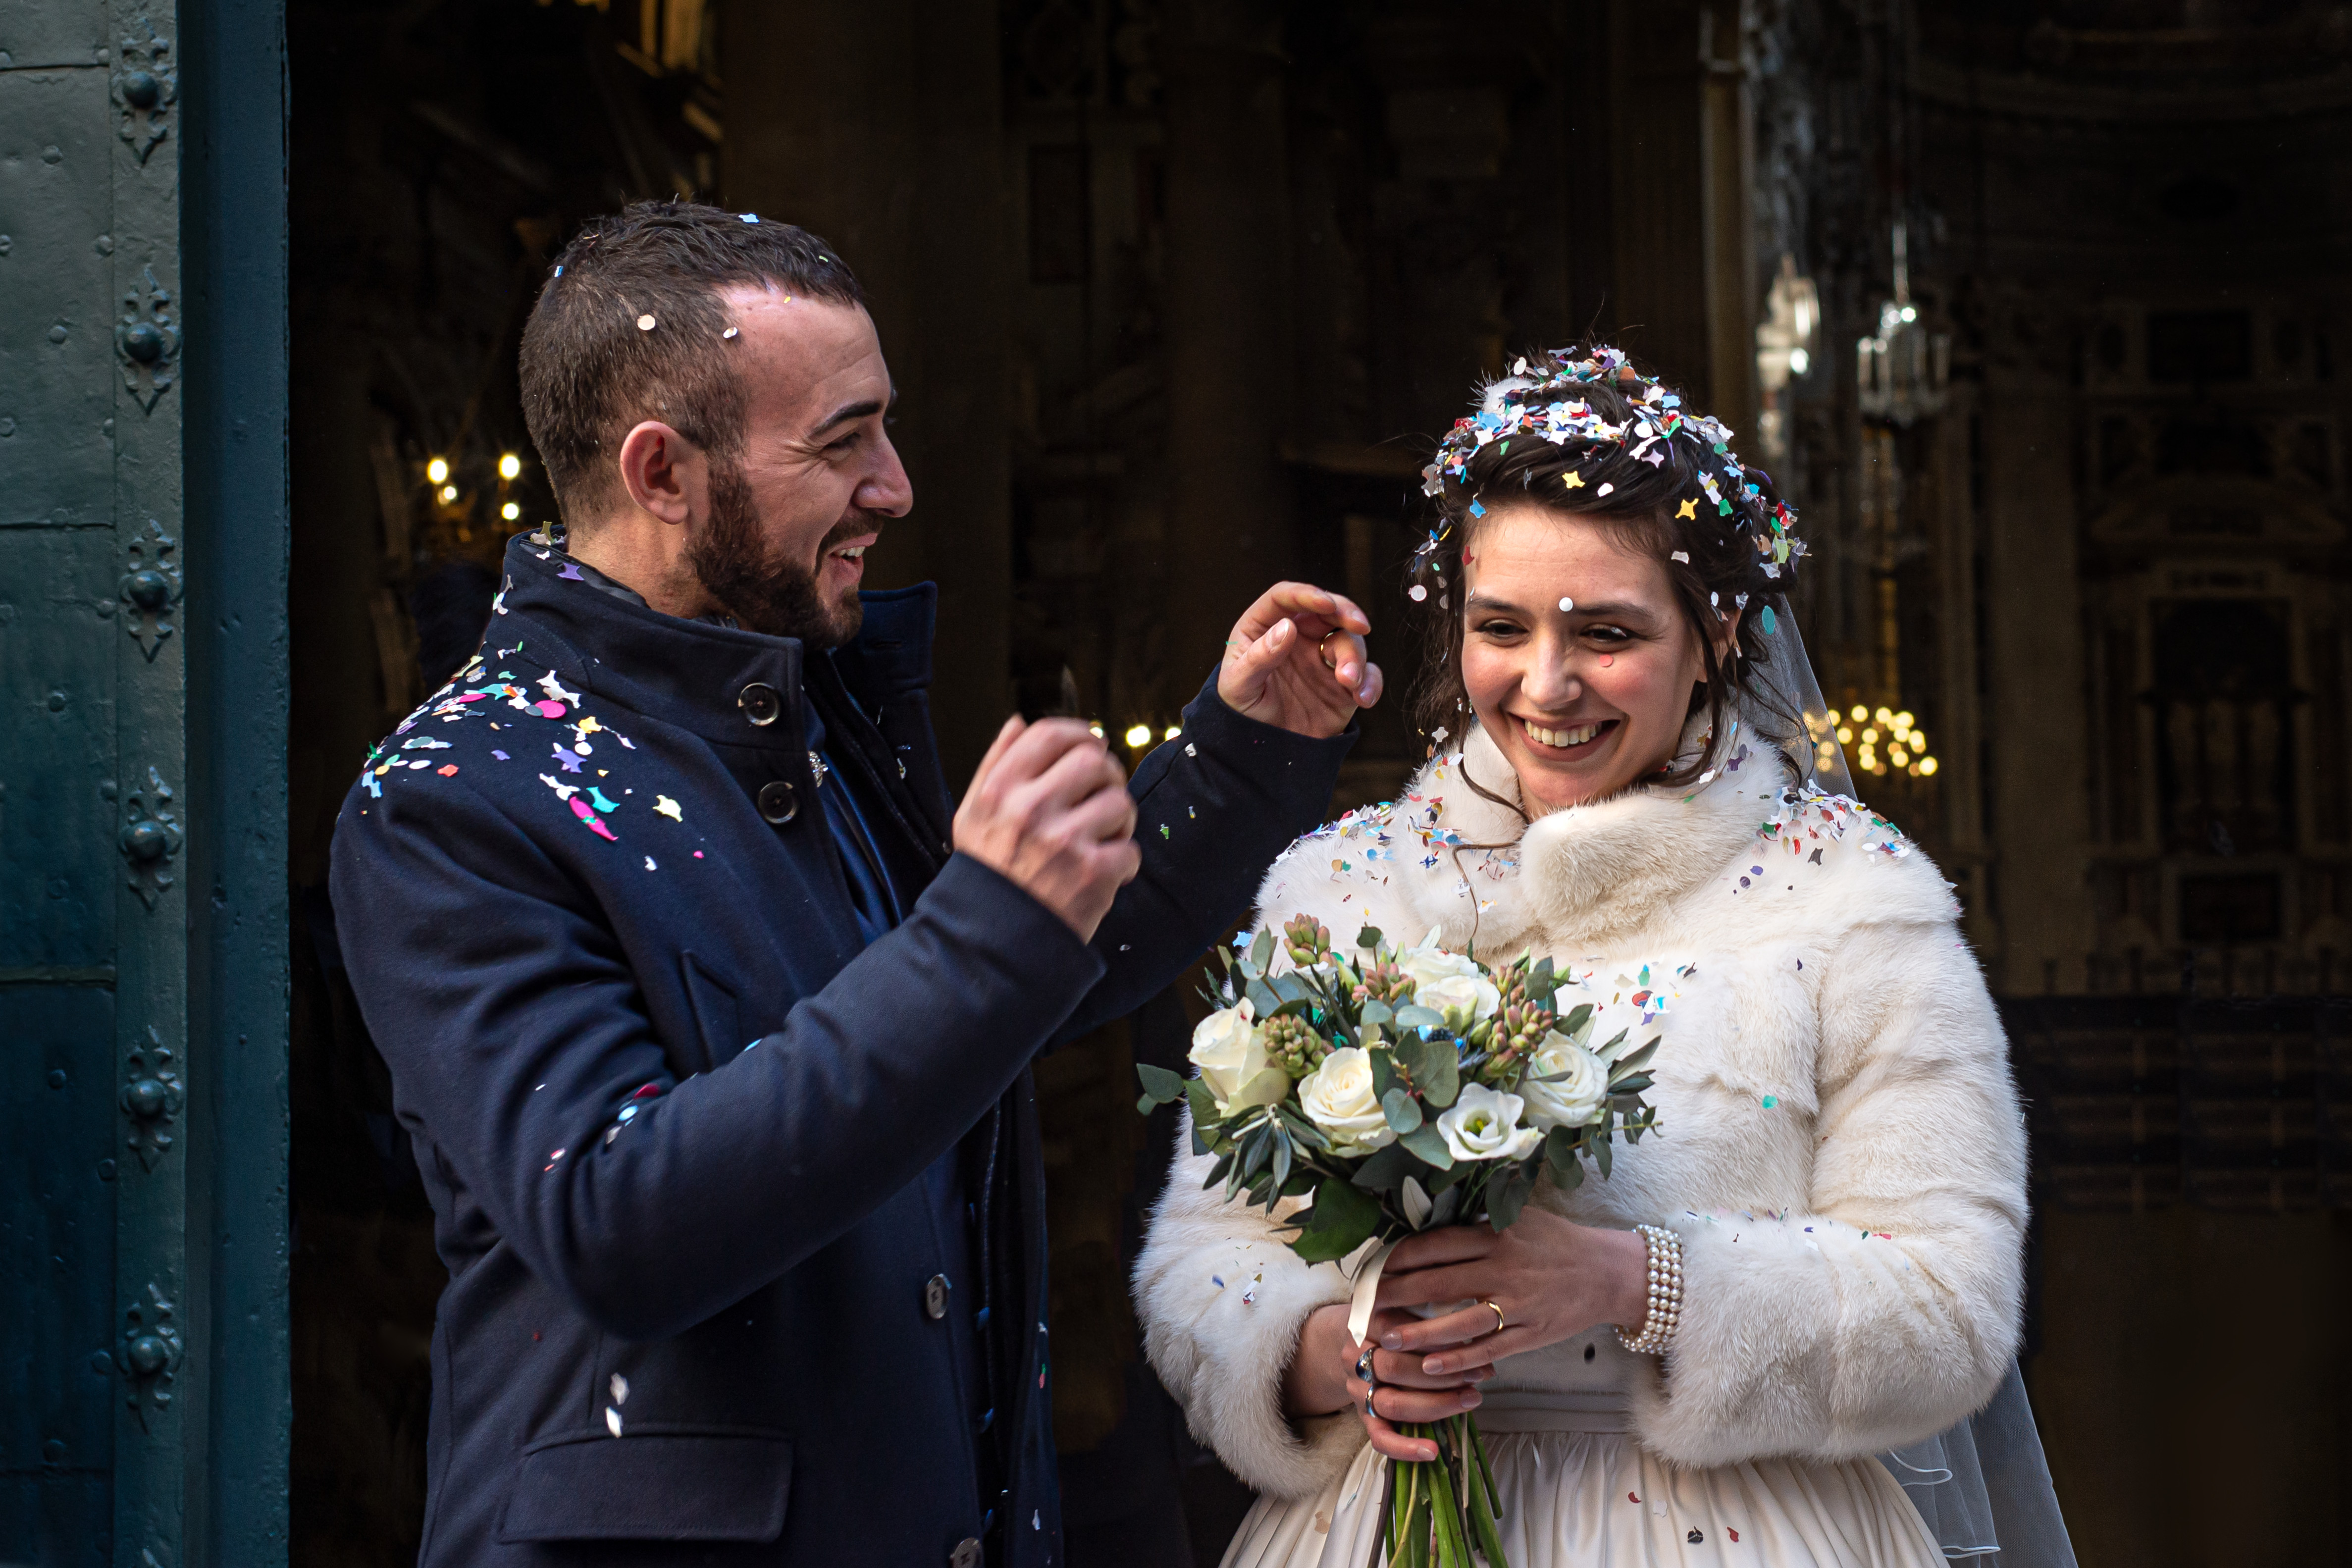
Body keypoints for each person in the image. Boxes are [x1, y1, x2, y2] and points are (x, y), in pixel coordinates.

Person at [329, 200, 1381, 1568]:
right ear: (662, 472)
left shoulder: (809, 713)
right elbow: (616, 1217)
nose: (891, 484)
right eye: (840, 441)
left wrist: (1239, 757)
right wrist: (986, 923)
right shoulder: (451, 798)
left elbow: (1002, 991)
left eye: (882, 425)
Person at [1136, 347, 2062, 1566]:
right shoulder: (1342, 881)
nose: (1544, 683)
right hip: (1372, 1520)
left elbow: (1955, 1308)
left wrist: (1640, 1282)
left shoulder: (1853, 894)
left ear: (1715, 628)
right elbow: (1207, 1255)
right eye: (1500, 628)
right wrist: (1328, 1359)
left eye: (1606, 632)